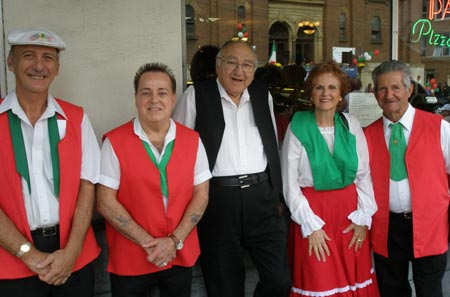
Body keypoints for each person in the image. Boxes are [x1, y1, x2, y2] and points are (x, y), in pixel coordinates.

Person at [173, 39, 291, 297]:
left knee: (280, 279)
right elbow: (178, 152)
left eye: (247, 64)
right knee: (225, 285)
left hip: (261, 198)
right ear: (218, 65)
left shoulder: (262, 95)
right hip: (217, 200)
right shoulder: (196, 95)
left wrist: (277, 194)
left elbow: (271, 147)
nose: (240, 71)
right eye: (232, 63)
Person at [0, 27, 101, 297]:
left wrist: (72, 251)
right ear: (11, 62)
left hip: (74, 255)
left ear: (57, 68)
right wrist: (28, 254)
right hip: (10, 260)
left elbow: (87, 186)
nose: (38, 65)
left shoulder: (77, 118)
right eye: (28, 55)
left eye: (48, 58)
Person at [96, 62, 211, 297]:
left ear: (173, 98)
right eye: (146, 92)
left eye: (162, 92)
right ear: (136, 97)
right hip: (131, 255)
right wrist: (150, 243)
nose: (154, 100)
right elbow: (105, 202)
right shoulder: (115, 142)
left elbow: (201, 195)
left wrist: (173, 241)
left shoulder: (192, 140)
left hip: (179, 251)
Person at [280, 61, 379, 297]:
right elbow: (290, 184)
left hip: (350, 217)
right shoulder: (297, 127)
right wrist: (310, 225)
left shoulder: (351, 124)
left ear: (341, 95)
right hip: (312, 216)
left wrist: (362, 219)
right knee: (318, 280)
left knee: (354, 279)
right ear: (311, 94)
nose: (326, 93)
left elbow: (364, 175)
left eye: (332, 88)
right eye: (319, 88)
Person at [364, 60, 450, 297]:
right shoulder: (366, 135)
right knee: (392, 291)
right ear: (374, 93)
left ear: (409, 89)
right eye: (382, 89)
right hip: (387, 228)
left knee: (430, 291)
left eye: (395, 88)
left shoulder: (439, 128)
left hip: (431, 226)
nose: (389, 95)